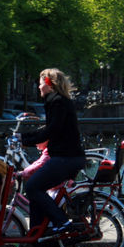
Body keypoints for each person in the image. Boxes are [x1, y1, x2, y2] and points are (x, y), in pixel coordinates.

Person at [20, 68, 86, 237]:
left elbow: (52, 130)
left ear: (48, 84)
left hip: (66, 158)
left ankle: (61, 222)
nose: (39, 87)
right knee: (36, 187)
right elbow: (51, 128)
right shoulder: (59, 101)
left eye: (40, 83)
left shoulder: (56, 102)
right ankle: (39, 233)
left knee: (32, 187)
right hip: (68, 157)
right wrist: (28, 137)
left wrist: (25, 140)